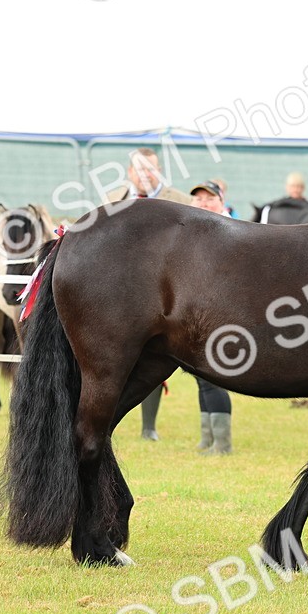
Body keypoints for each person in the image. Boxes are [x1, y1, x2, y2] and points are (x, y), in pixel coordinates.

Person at [104, 148, 188, 440]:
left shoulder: (179, 201)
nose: (144, 176)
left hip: (160, 290)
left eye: (150, 170)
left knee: (155, 352)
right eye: (139, 170)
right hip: (116, 289)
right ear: (129, 173)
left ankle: (148, 427)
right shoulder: (112, 198)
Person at [186, 179, 238, 454]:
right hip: (199, 311)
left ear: (221, 202)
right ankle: (208, 438)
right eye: (198, 198)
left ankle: (223, 443)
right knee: (199, 374)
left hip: (224, 312)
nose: (203, 203)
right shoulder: (194, 231)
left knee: (211, 374)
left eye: (209, 198)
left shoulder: (231, 230)